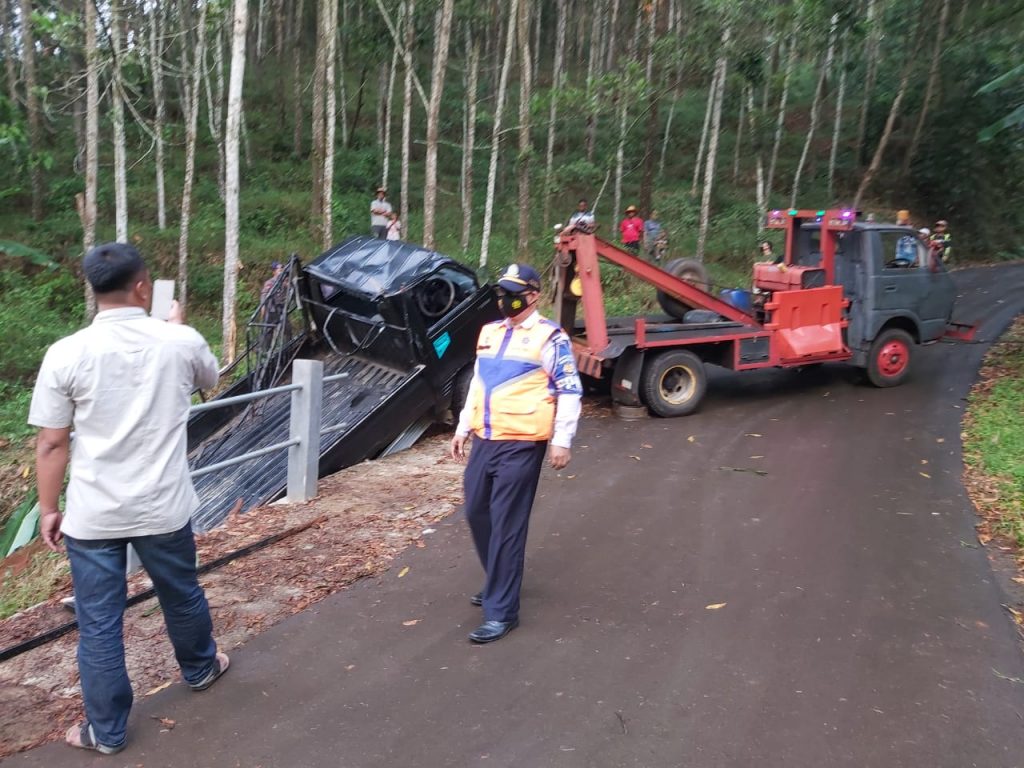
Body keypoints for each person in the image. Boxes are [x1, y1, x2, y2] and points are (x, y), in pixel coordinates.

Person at [30, 242, 228, 755]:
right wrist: (176, 324)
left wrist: (50, 509)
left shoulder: (66, 353)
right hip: (163, 506)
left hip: (94, 515)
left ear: (93, 292)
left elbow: (53, 441)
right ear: (144, 287)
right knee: (180, 592)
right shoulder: (179, 340)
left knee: (99, 622)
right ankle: (201, 669)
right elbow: (212, 379)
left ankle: (107, 732)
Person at [450, 263, 582, 644]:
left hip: (523, 443)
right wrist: (462, 427)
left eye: (512, 292)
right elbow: (478, 383)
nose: (503, 299)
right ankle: (499, 579)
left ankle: (502, 611)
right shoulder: (489, 333)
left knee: (508, 522)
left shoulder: (550, 338)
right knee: (476, 510)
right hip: (485, 439)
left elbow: (569, 389)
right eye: (501, 292)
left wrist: (562, 439)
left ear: (533, 295)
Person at [259, 260, 287, 350]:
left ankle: (286, 347)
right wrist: (263, 307)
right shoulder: (270, 283)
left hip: (281, 309)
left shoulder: (284, 282)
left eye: (282, 269)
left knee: (287, 329)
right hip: (271, 310)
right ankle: (265, 350)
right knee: (268, 332)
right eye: (279, 270)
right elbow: (264, 295)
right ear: (274, 271)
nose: (281, 271)